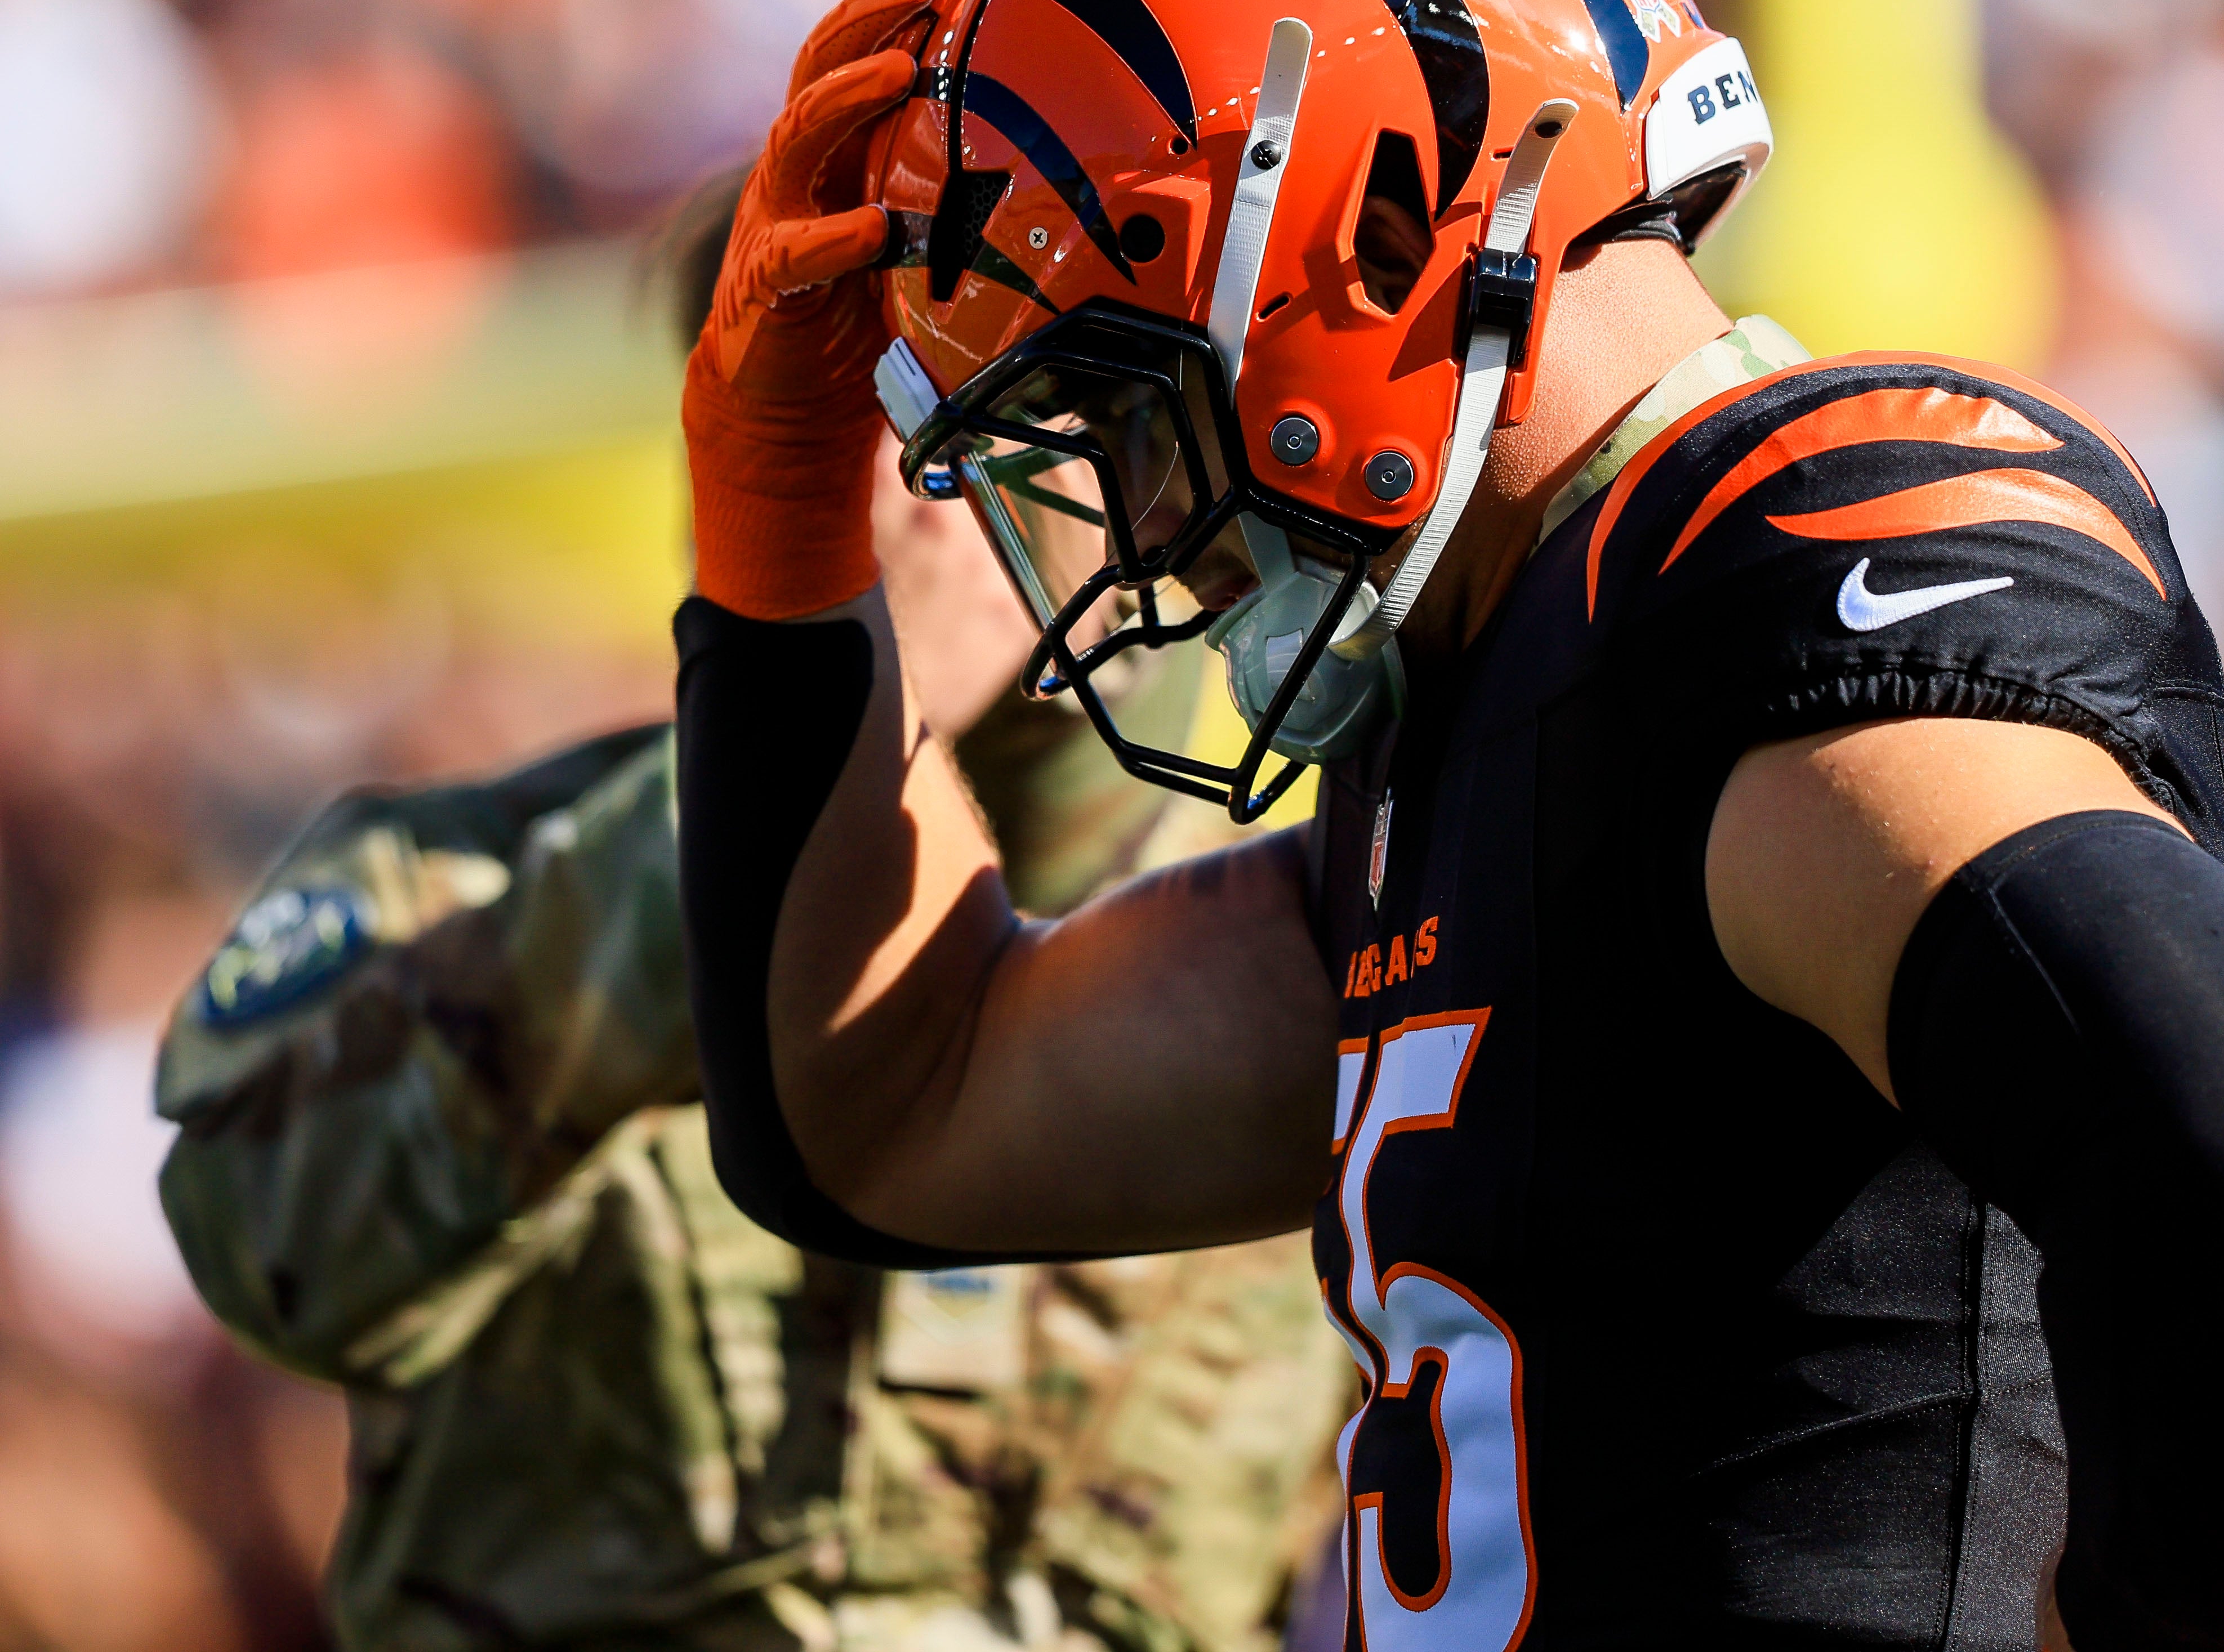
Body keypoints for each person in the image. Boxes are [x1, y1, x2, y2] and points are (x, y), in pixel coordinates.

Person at [675, 0, 2224, 1650]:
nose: (1142, 527)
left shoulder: (1770, 575)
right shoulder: (1498, 686)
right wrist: (773, 534)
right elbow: (885, 1112)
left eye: (1122, 410)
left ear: (1366, 231)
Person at [154, 171, 1358, 1652]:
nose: (907, 490)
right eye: (791, 428)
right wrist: (802, 742)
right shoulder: (474, 881)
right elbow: (267, 1251)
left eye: (965, 401)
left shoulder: (1320, 936)